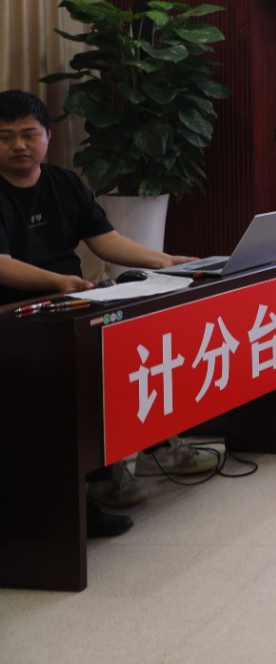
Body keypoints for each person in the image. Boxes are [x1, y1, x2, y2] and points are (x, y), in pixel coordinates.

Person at [0, 88, 212, 538]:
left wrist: (165, 261)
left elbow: (106, 240)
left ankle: (143, 453)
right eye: (5, 137)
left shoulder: (64, 183)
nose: (18, 145)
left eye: (28, 134)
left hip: (73, 304)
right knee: (74, 379)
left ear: (47, 136)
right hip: (14, 316)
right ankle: (86, 493)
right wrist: (59, 281)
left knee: (137, 349)